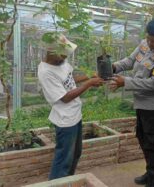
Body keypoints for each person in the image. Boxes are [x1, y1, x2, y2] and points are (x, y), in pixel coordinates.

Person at [109, 17, 154, 187]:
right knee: (143, 138)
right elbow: (130, 61)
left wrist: (126, 82)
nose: (151, 43)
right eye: (149, 39)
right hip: (142, 104)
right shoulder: (144, 44)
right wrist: (114, 67)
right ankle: (150, 171)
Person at [37, 33, 104, 180]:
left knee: (75, 154)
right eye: (63, 55)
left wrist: (89, 76)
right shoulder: (46, 72)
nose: (65, 57)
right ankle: (56, 183)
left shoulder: (60, 62)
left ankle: (68, 181)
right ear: (51, 52)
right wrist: (89, 84)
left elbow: (69, 79)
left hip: (75, 116)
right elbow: (65, 98)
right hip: (65, 120)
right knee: (63, 160)